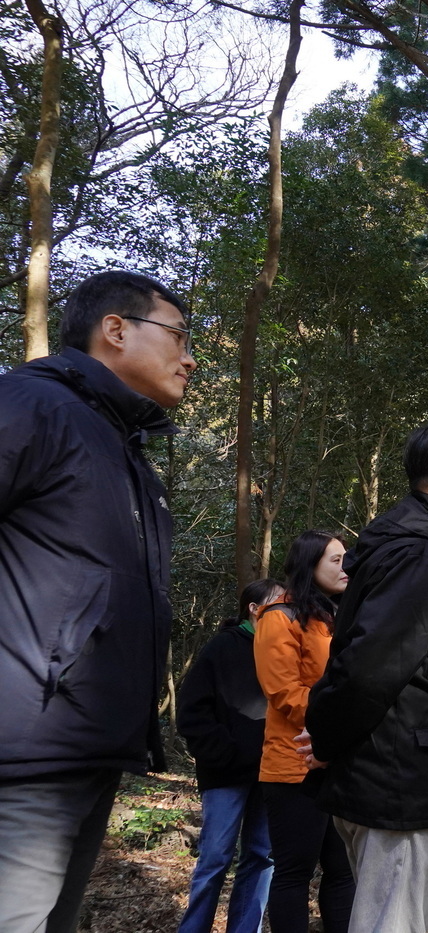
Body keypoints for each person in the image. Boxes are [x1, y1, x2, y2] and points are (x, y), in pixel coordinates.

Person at [0, 270, 196, 933]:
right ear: (115, 329)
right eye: (178, 335)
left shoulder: (125, 450)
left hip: (87, 749)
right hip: (25, 745)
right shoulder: (32, 405)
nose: (190, 357)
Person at [304, 419, 428, 933]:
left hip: (404, 773)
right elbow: (370, 669)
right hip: (399, 782)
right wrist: (326, 737)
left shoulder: (417, 545)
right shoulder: (419, 552)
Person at [254, 531, 356, 933]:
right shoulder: (279, 616)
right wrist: (337, 726)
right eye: (334, 560)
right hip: (293, 764)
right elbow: (284, 691)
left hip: (340, 763)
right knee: (294, 873)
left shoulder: (343, 616)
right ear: (309, 566)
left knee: (343, 872)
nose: (345, 565)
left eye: (346, 557)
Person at [176, 579, 284, 933]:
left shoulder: (284, 649)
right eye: (277, 603)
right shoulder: (222, 647)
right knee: (215, 859)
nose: (286, 609)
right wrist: (223, 753)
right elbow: (192, 710)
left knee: (261, 857)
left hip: (271, 773)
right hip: (225, 775)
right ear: (254, 608)